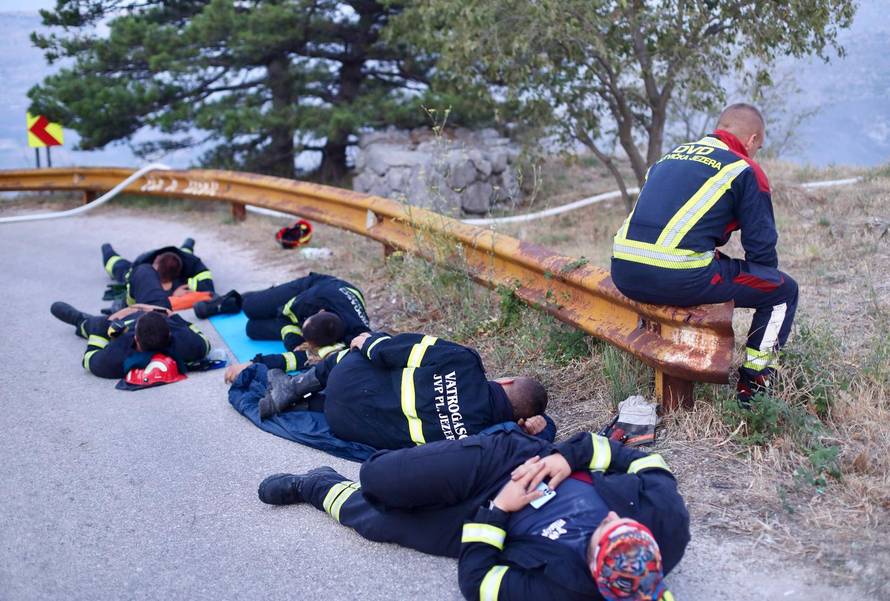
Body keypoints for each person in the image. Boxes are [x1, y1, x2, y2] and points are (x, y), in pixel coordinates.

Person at [256, 428, 688, 601]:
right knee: (379, 478)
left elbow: (479, 582)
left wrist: (500, 510)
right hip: (509, 459)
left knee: (376, 521)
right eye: (618, 522)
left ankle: (313, 484)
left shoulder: (566, 593)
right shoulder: (668, 522)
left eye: (599, 536)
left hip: (482, 518)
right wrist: (563, 455)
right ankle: (452, 446)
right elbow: (639, 458)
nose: (606, 521)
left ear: (593, 570)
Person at [610, 103, 798, 404]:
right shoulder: (743, 168)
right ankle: (755, 386)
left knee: (708, 261)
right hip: (676, 275)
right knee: (782, 292)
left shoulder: (667, 158)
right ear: (751, 139)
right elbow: (761, 250)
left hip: (622, 271)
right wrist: (759, 280)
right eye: (758, 147)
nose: (755, 153)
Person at [228, 331, 553, 448]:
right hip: (345, 426)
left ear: (507, 382)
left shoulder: (465, 363)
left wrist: (367, 341)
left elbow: (398, 349)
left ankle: (296, 387)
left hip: (344, 381)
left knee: (372, 344)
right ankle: (301, 404)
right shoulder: (484, 437)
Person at [206, 273, 371, 372]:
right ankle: (231, 301)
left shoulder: (356, 333)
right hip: (312, 287)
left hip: (332, 306)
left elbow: (309, 357)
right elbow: (284, 316)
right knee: (251, 308)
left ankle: (265, 299)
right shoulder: (307, 302)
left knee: (252, 329)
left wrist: (254, 364)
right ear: (319, 312)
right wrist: (295, 341)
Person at [49, 300, 210, 379]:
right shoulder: (190, 346)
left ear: (135, 339)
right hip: (155, 315)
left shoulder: (116, 354)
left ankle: (82, 321)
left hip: (122, 322)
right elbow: (203, 340)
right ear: (169, 334)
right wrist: (175, 318)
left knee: (96, 324)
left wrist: (100, 333)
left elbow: (89, 359)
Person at [101, 237, 215, 308]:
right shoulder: (143, 265)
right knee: (118, 266)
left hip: (182, 256)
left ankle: (188, 243)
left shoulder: (192, 263)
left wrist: (188, 284)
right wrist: (172, 294)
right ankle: (106, 249)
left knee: (185, 252)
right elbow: (139, 294)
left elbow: (209, 288)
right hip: (148, 257)